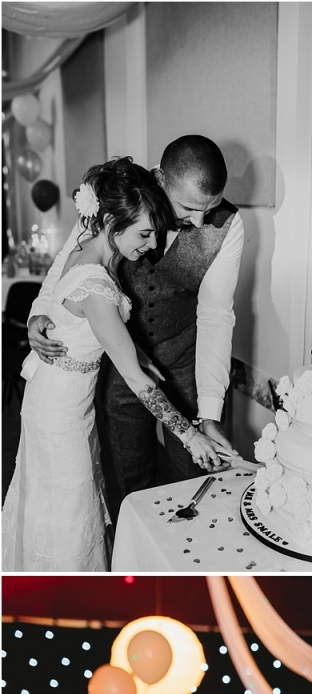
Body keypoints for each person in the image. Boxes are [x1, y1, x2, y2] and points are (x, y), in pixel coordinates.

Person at [3, 157, 226, 572]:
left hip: (58, 400)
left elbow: (87, 330)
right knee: (69, 510)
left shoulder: (86, 255)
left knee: (55, 503)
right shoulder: (98, 286)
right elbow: (137, 382)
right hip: (60, 413)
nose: (150, 246)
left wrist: (133, 350)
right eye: (144, 234)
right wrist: (191, 436)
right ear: (110, 221)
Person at [27, 135, 244, 521]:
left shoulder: (228, 227)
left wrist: (208, 414)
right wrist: (39, 314)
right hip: (113, 368)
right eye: (189, 208)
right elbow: (65, 265)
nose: (197, 222)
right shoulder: (115, 197)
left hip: (182, 361)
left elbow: (215, 317)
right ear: (160, 180)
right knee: (126, 476)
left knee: (191, 477)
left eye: (207, 211)